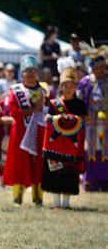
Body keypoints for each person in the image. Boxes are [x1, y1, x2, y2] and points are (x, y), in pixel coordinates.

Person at [3, 55, 46, 206]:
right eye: (27, 71)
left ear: (37, 73)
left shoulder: (44, 91)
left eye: (33, 70)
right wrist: (34, 108)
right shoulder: (15, 91)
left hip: (40, 132)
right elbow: (14, 112)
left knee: (38, 162)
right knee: (19, 163)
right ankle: (17, 197)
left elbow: (49, 110)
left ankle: (38, 196)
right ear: (22, 74)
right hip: (20, 132)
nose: (30, 74)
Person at [42, 68, 86, 209]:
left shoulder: (80, 104)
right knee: (54, 171)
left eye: (71, 85)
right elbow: (47, 118)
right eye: (65, 85)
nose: (68, 88)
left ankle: (66, 203)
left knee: (69, 172)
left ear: (75, 87)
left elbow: (84, 120)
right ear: (60, 87)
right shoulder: (54, 104)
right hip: (56, 144)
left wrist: (73, 120)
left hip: (71, 145)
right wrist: (60, 118)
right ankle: (56, 203)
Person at [77, 55, 108, 191]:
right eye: (100, 67)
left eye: (104, 67)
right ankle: (90, 181)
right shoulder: (86, 82)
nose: (103, 70)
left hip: (106, 124)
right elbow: (79, 102)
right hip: (90, 125)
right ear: (94, 68)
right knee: (91, 151)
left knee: (105, 151)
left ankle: (105, 182)